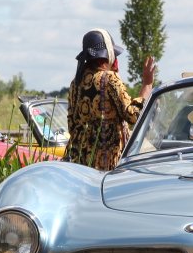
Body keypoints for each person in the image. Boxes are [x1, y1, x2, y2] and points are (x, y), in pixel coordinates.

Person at [65, 28, 155, 170]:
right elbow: (133, 116)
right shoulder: (109, 79)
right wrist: (147, 85)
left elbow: (72, 124)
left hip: (79, 165)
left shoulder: (75, 83)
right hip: (106, 167)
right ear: (108, 54)